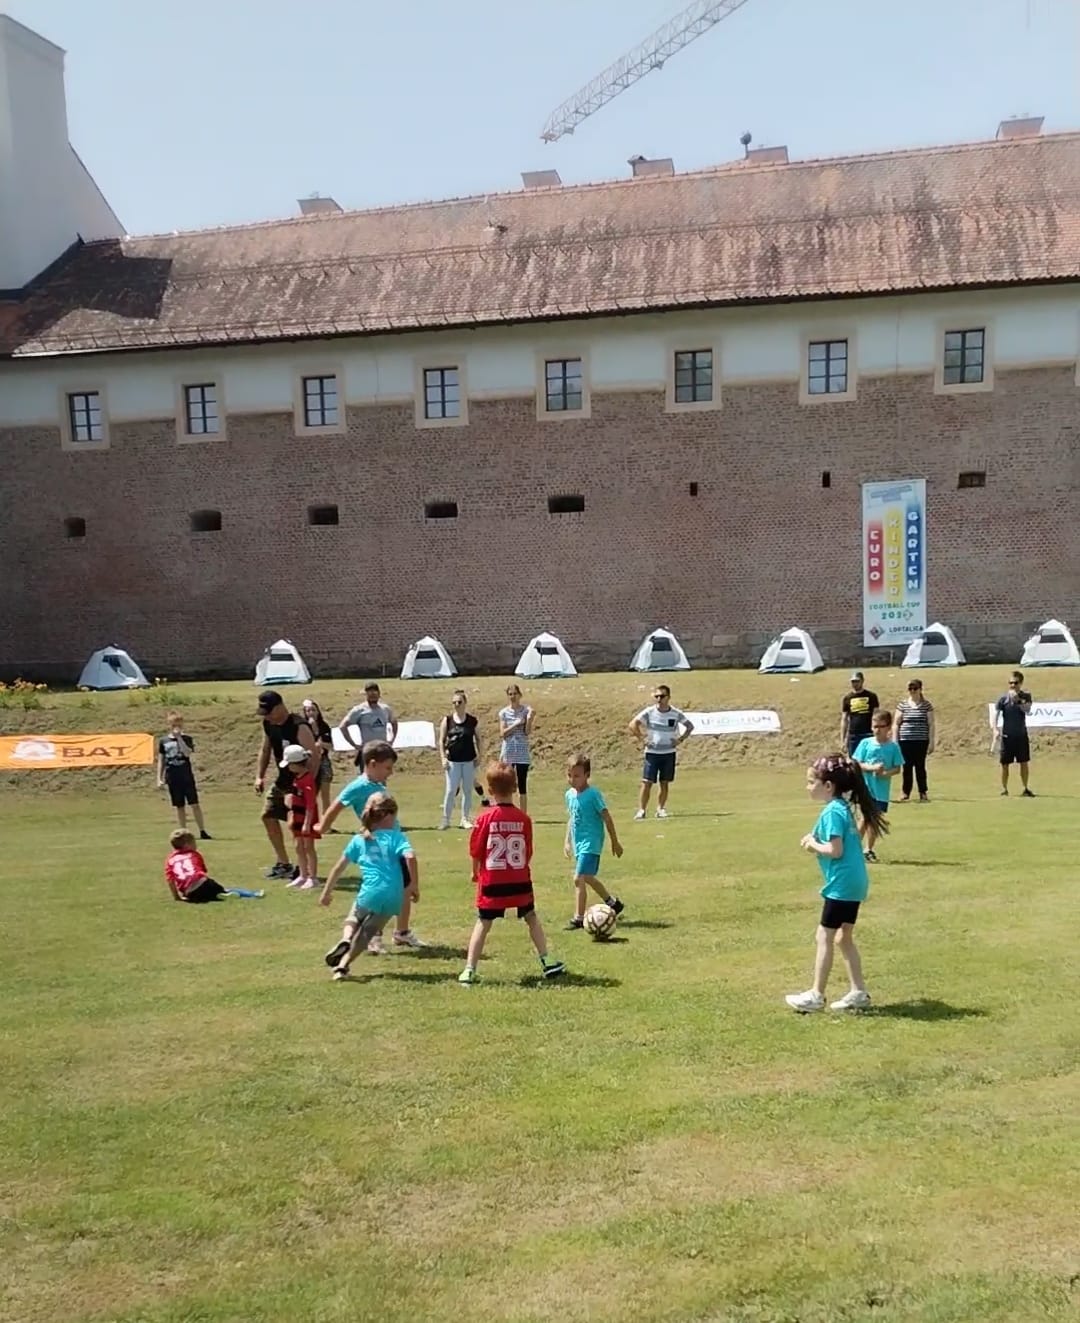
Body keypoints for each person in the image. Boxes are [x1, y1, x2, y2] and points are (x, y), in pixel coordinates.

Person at [785, 754, 887, 1013]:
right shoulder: (842, 807)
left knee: (824, 935)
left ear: (828, 786)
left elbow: (835, 849)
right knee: (843, 938)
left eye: (811, 782)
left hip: (841, 885)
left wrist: (811, 845)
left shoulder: (832, 811)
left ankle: (816, 995)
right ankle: (858, 992)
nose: (808, 787)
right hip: (855, 883)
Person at [458, 762, 566, 985]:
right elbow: (528, 851)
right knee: (531, 918)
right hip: (519, 881)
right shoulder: (524, 819)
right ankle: (547, 960)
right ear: (516, 787)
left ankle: (469, 969)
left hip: (492, 882)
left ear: (489, 790)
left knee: (483, 922)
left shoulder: (484, 819)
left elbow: (476, 849)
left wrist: (474, 872)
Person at [315, 740, 425, 950]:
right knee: (383, 888)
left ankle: (401, 932)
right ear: (372, 764)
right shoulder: (359, 786)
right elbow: (337, 805)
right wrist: (322, 826)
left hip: (394, 844)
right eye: (387, 768)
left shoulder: (377, 784)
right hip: (379, 847)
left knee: (403, 888)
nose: (390, 773)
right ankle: (373, 935)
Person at [318, 793, 419, 981]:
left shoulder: (359, 840)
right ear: (388, 816)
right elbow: (410, 857)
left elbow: (339, 867)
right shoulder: (396, 837)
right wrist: (413, 885)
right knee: (366, 934)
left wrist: (326, 892)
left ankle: (346, 939)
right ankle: (342, 967)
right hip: (394, 896)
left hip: (370, 891)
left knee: (354, 918)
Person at [255, 691, 317, 880]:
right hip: (282, 781)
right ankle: (283, 863)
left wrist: (304, 786)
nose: (266, 716)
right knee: (267, 815)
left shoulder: (299, 726)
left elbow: (314, 756)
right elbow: (266, 749)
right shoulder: (268, 724)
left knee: (296, 826)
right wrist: (259, 776)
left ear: (280, 706)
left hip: (300, 783)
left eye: (269, 711)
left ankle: (303, 868)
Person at [564, 753, 625, 930]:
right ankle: (613, 903)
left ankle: (578, 918)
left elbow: (606, 817)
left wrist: (615, 841)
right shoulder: (569, 795)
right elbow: (572, 818)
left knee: (579, 878)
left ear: (587, 775)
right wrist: (567, 841)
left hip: (592, 843)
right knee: (588, 877)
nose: (572, 779)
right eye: (569, 775)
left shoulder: (593, 795)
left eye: (577, 775)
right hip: (579, 843)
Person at [628, 684, 695, 819]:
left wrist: (680, 739)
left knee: (664, 782)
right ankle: (641, 810)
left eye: (662, 696)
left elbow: (689, 726)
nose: (659, 699)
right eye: (656, 696)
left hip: (669, 753)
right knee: (647, 782)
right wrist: (642, 739)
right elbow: (633, 724)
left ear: (668, 697)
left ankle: (660, 809)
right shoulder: (649, 712)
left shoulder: (675, 713)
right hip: (652, 753)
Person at [852, 711, 904, 861]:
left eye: (880, 726)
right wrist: (871, 768)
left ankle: (868, 849)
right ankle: (854, 848)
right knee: (864, 818)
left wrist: (885, 773)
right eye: (874, 726)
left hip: (881, 791)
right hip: (865, 789)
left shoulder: (893, 747)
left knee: (875, 819)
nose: (876, 730)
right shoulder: (866, 743)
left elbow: (897, 768)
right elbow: (856, 764)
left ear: (888, 727)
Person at [164, 829, 263, 902]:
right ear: (187, 845)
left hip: (190, 892)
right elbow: (202, 872)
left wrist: (177, 897)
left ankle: (215, 896)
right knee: (224, 890)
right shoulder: (194, 854)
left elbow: (170, 880)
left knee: (204, 896)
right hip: (202, 882)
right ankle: (253, 894)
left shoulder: (170, 859)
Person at [156, 711, 211, 838]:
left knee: (194, 803)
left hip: (186, 775)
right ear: (169, 724)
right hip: (172, 776)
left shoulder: (187, 739)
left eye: (179, 724)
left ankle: (202, 830)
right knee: (179, 806)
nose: (177, 727)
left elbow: (187, 753)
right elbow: (161, 760)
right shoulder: (163, 741)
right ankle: (183, 832)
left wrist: (179, 738)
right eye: (174, 724)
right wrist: (159, 778)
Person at [439, 690, 482, 830]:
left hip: (468, 760)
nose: (457, 705)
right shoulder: (447, 720)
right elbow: (441, 741)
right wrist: (443, 758)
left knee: (467, 790)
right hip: (453, 761)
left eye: (459, 702)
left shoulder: (472, 721)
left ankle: (465, 819)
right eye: (454, 703)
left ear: (465, 703)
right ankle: (446, 819)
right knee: (451, 790)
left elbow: (479, 739)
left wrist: (480, 755)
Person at [280, 744, 319, 890]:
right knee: (298, 847)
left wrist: (307, 824)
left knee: (308, 847)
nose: (288, 768)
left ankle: (312, 877)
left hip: (306, 818)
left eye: (289, 764)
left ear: (296, 764)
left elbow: (310, 804)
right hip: (297, 816)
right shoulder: (297, 778)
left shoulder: (307, 780)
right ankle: (302, 875)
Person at [993, 670, 1035, 797]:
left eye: (1015, 683)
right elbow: (996, 713)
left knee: (1023, 762)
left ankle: (1025, 788)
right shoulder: (1003, 699)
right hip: (1007, 736)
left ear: (1020, 683)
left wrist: (1018, 700)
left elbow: (1027, 710)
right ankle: (1004, 789)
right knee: (1004, 764)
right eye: (1010, 683)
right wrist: (995, 728)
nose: (1012, 685)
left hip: (1021, 735)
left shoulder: (1025, 696)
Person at [894, 679, 936, 801]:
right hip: (905, 740)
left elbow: (931, 724)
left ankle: (923, 792)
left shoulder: (926, 705)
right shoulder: (903, 705)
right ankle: (905, 792)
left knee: (920, 767)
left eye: (915, 688)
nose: (912, 691)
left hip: (921, 740)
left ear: (920, 689)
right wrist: (895, 741)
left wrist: (931, 741)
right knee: (906, 767)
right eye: (910, 689)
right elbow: (896, 723)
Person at [338, 683, 397, 767]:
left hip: (383, 750)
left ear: (379, 694)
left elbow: (394, 722)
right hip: (367, 751)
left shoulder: (385, 709)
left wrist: (392, 740)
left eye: (375, 693)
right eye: (370, 694)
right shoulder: (359, 710)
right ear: (366, 694)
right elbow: (343, 726)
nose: (373, 696)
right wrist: (354, 744)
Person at [498, 684, 534, 816]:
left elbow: (527, 732)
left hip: (522, 753)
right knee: (508, 784)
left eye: (515, 694)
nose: (513, 697)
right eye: (510, 694)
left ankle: (523, 814)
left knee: (522, 785)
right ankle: (508, 812)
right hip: (509, 753)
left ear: (520, 695)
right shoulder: (504, 713)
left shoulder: (525, 711)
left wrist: (529, 719)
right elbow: (503, 733)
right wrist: (516, 723)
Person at [301, 698, 335, 817]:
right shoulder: (302, 727)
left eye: (313, 710)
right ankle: (307, 820)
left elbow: (331, 745)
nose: (311, 713)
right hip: (309, 762)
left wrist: (321, 744)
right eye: (308, 710)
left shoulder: (324, 727)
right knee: (310, 793)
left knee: (325, 793)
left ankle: (326, 823)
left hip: (324, 761)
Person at [840, 671, 879, 757]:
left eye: (857, 681)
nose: (855, 684)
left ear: (862, 681)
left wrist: (877, 733)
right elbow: (844, 720)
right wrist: (843, 740)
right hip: (853, 735)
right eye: (853, 681)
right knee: (854, 763)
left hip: (868, 734)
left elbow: (876, 716)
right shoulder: (847, 698)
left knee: (870, 759)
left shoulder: (872, 696)